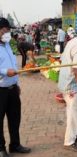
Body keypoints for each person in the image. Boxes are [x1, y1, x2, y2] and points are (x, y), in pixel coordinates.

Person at [0, 18, 31, 157]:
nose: (7, 33)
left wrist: (16, 84)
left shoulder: (7, 45)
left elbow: (13, 65)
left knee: (15, 118)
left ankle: (15, 145)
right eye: (5, 30)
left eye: (8, 30)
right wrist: (5, 71)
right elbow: (7, 69)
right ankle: (1, 148)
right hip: (0, 90)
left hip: (12, 88)